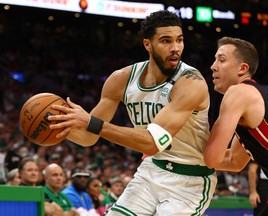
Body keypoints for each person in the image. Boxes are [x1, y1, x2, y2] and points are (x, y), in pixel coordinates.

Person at [49, 10, 217, 215]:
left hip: (190, 180)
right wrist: (58, 126)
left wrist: (91, 122)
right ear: (147, 44)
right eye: (166, 41)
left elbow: (152, 143)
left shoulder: (191, 82)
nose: (175, 48)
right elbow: (87, 136)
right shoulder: (121, 79)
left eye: (179, 40)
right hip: (151, 171)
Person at [203, 36, 268, 215]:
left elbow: (211, 157)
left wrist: (172, 147)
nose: (213, 66)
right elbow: (233, 161)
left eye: (222, 60)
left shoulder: (239, 92)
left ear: (243, 68)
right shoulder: (255, 96)